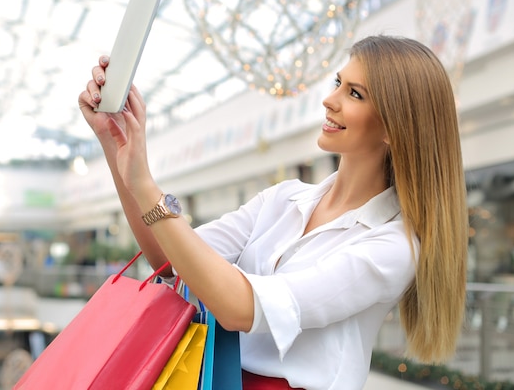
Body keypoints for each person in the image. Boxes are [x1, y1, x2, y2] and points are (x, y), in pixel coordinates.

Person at [78, 35, 468, 390]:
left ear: (393, 127)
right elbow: (168, 259)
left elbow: (239, 309)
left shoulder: (392, 246)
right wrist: (117, 143)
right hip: (217, 379)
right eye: (337, 83)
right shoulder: (284, 199)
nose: (329, 100)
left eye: (355, 94)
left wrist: (147, 186)